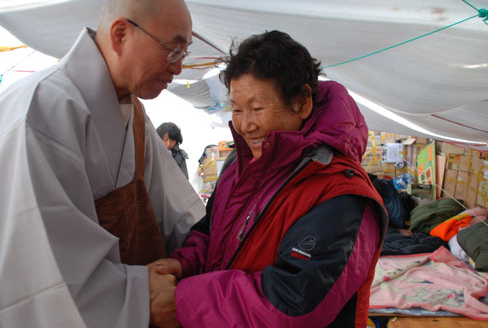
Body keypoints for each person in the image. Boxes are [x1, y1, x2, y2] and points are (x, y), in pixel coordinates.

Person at [0, 0, 204, 327]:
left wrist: (205, 252)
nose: (178, 69)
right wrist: (140, 294)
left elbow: (180, 215)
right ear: (120, 34)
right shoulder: (41, 105)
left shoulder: (137, 118)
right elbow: (38, 265)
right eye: (173, 50)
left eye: (184, 54)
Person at [154, 30, 389, 327]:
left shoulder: (342, 195)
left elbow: (294, 303)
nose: (245, 125)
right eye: (236, 109)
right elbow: (212, 235)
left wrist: (183, 302)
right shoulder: (239, 167)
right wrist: (181, 263)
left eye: (257, 108)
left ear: (301, 102)